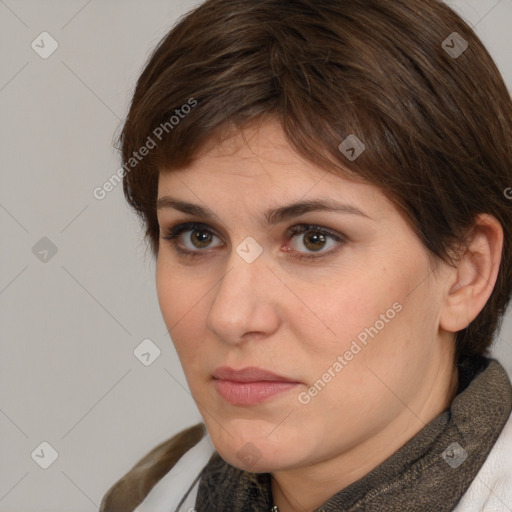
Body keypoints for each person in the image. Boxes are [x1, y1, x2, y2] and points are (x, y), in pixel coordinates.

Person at [99, 0, 512, 510]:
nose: (230, 317)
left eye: (313, 238)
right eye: (197, 236)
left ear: (465, 274)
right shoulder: (144, 491)